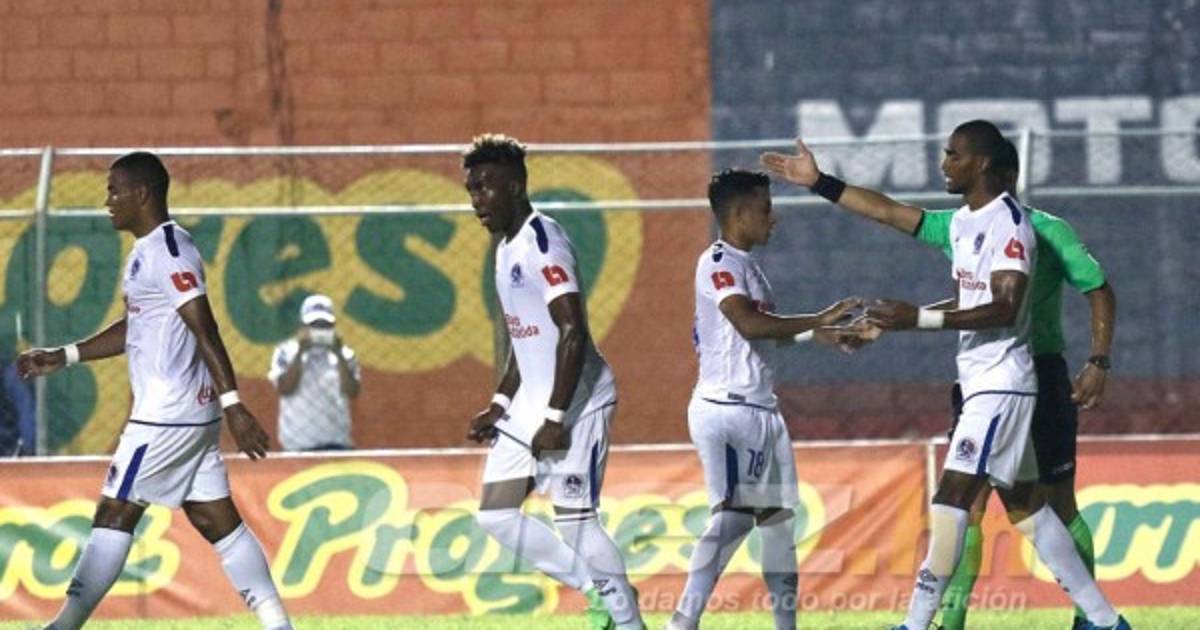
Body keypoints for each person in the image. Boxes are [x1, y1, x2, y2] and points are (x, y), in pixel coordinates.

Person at [760, 121, 1129, 630]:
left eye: (954, 154)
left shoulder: (1013, 225)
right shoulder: (962, 223)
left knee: (954, 498)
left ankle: (917, 624)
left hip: (1007, 381)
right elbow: (889, 212)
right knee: (1027, 508)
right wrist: (820, 182)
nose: (944, 163)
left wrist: (917, 318)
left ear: (982, 163)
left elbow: (1005, 307)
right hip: (983, 382)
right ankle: (1106, 621)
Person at [17, 152, 292, 630]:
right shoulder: (151, 249)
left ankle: (62, 627)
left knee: (116, 510)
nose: (108, 200)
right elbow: (140, 326)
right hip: (190, 415)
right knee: (215, 520)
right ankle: (278, 624)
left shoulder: (167, 252)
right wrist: (66, 355)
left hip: (165, 415)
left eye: (114, 190)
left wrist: (236, 405)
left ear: (141, 194)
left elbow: (205, 327)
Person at [666, 169, 869, 630]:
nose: (773, 218)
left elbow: (761, 337)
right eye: (765, 209)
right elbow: (750, 325)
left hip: (758, 409)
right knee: (735, 516)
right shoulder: (718, 262)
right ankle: (681, 622)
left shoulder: (749, 266)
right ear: (739, 214)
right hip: (728, 410)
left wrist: (822, 335)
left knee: (777, 522)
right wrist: (819, 317)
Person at [462, 134, 645, 630]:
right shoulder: (504, 248)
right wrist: (499, 403)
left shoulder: (544, 242)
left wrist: (556, 418)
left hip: (577, 402)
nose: (476, 199)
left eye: (485, 187)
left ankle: (628, 622)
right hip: (531, 405)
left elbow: (572, 330)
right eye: (471, 189)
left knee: (576, 522)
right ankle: (597, 589)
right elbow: (525, 336)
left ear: (516, 186)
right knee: (496, 513)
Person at [268, 293, 361, 451]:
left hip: (337, 444)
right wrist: (301, 352)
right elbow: (285, 388)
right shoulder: (286, 352)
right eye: (314, 325)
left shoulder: (346, 355)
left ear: (333, 326)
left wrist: (338, 354)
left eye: (324, 325)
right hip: (297, 446)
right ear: (302, 326)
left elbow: (352, 391)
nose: (319, 330)